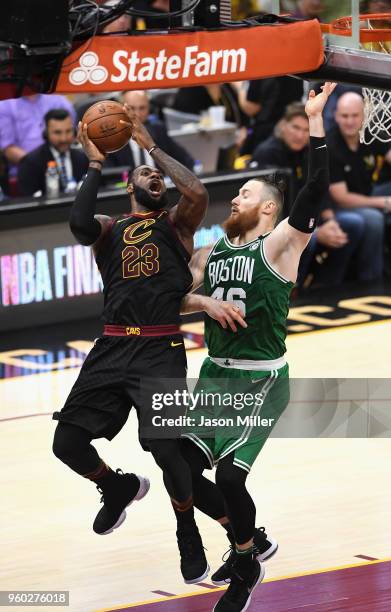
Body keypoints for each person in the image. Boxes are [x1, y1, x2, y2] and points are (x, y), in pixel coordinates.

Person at [178, 82, 336, 612]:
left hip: (260, 379)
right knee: (178, 466)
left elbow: (316, 187)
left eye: (244, 194)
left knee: (228, 473)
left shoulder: (283, 243)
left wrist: (315, 119)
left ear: (268, 208)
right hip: (214, 374)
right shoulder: (211, 250)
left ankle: (245, 563)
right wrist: (198, 305)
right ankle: (253, 543)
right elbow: (177, 301)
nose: (235, 199)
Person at [51, 109, 225, 584]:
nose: (155, 179)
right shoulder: (109, 229)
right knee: (65, 443)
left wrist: (152, 148)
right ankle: (117, 486)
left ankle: (187, 532)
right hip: (111, 349)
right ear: (129, 184)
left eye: (158, 178)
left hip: (160, 350)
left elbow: (198, 193)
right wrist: (91, 162)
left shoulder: (176, 224)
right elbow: (78, 222)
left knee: (168, 453)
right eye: (146, 174)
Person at [252, 102, 365, 288]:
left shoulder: (308, 152)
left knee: (353, 225)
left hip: (307, 220)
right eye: (295, 127)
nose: (300, 135)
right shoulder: (269, 154)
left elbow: (321, 189)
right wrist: (315, 232)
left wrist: (329, 222)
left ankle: (326, 286)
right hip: (277, 226)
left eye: (306, 130)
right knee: (306, 242)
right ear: (283, 125)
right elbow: (272, 209)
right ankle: (291, 290)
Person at [328, 91, 391, 280]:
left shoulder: (370, 133)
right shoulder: (331, 146)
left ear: (363, 115)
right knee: (373, 219)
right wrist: (383, 202)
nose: (350, 121)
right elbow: (342, 198)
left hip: (367, 194)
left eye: (355, 116)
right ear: (336, 116)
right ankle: (370, 280)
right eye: (345, 116)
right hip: (336, 206)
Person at [106, 90, 194, 171]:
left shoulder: (159, 130)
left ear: (149, 108)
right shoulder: (112, 138)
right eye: (131, 108)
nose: (137, 114)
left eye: (142, 108)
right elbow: (108, 176)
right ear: (121, 108)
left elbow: (187, 161)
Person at [0, 94, 76, 176]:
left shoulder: (58, 99)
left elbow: (73, 133)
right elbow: (8, 148)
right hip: (27, 172)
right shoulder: (6, 104)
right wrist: (41, 165)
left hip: (65, 166)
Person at [17, 109, 89, 197]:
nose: (64, 139)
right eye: (57, 132)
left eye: (68, 131)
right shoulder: (30, 163)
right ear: (46, 133)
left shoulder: (83, 158)